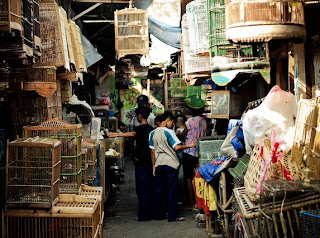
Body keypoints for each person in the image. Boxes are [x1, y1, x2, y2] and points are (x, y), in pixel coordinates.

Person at [149, 111, 196, 222]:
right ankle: (172, 215)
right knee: (171, 190)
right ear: (168, 120)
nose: (173, 124)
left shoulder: (152, 133)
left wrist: (153, 165)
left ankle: (160, 215)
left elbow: (152, 151)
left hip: (159, 163)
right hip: (170, 164)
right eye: (172, 122)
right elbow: (177, 147)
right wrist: (189, 145)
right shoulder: (169, 132)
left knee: (160, 190)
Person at [109, 107, 154, 221]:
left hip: (141, 162)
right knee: (149, 187)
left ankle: (143, 215)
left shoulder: (140, 129)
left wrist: (115, 135)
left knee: (142, 188)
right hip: (150, 161)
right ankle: (149, 212)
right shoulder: (151, 128)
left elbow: (132, 134)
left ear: (139, 116)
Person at [183, 108, 207, 208]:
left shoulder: (189, 121)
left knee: (188, 177)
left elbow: (183, 133)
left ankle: (191, 203)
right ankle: (200, 202)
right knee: (199, 176)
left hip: (189, 151)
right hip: (200, 151)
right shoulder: (204, 121)